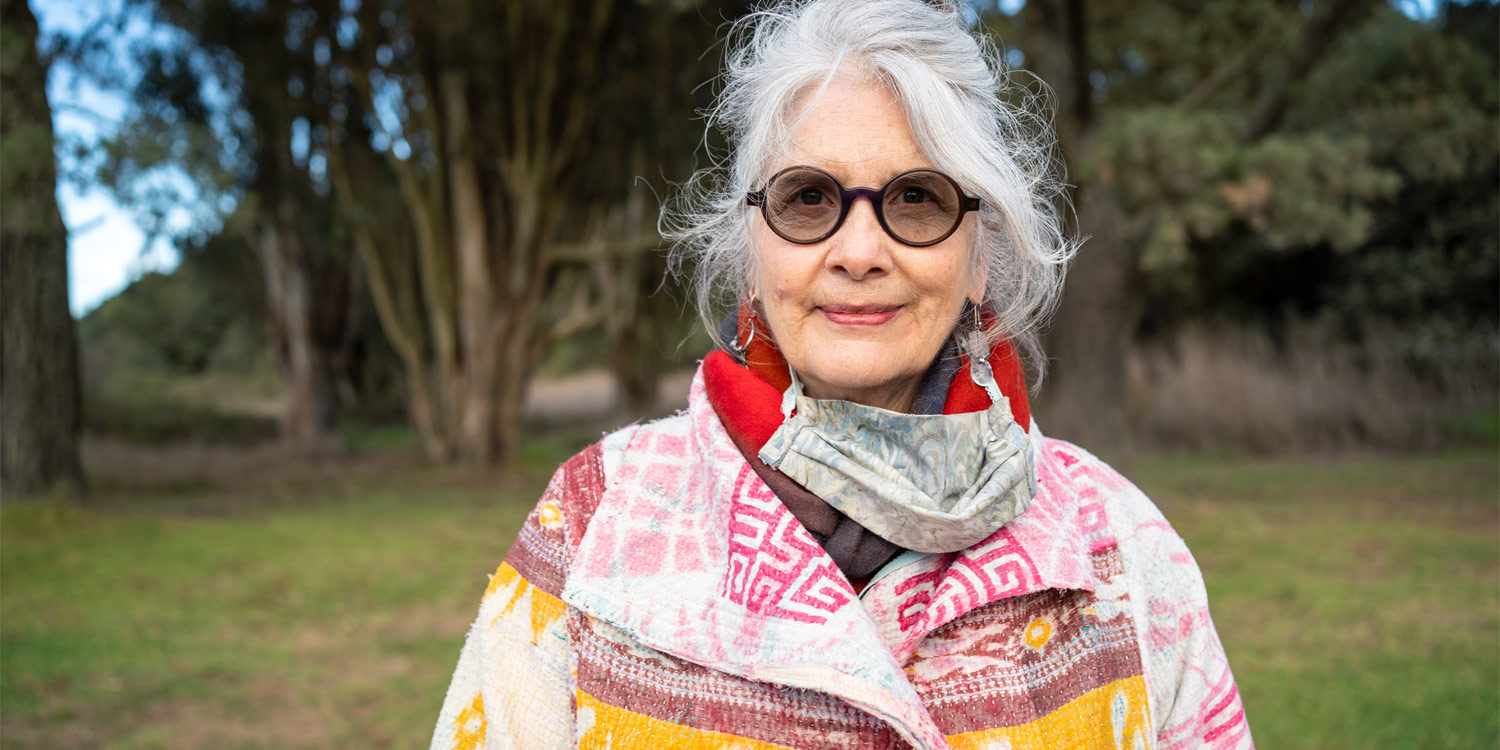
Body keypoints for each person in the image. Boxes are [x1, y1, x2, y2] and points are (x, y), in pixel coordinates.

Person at [430, 1, 1253, 748]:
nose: (858, 253)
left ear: (979, 259)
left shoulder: (1121, 548)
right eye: (808, 199)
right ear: (752, 255)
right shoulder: (591, 525)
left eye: (919, 199)